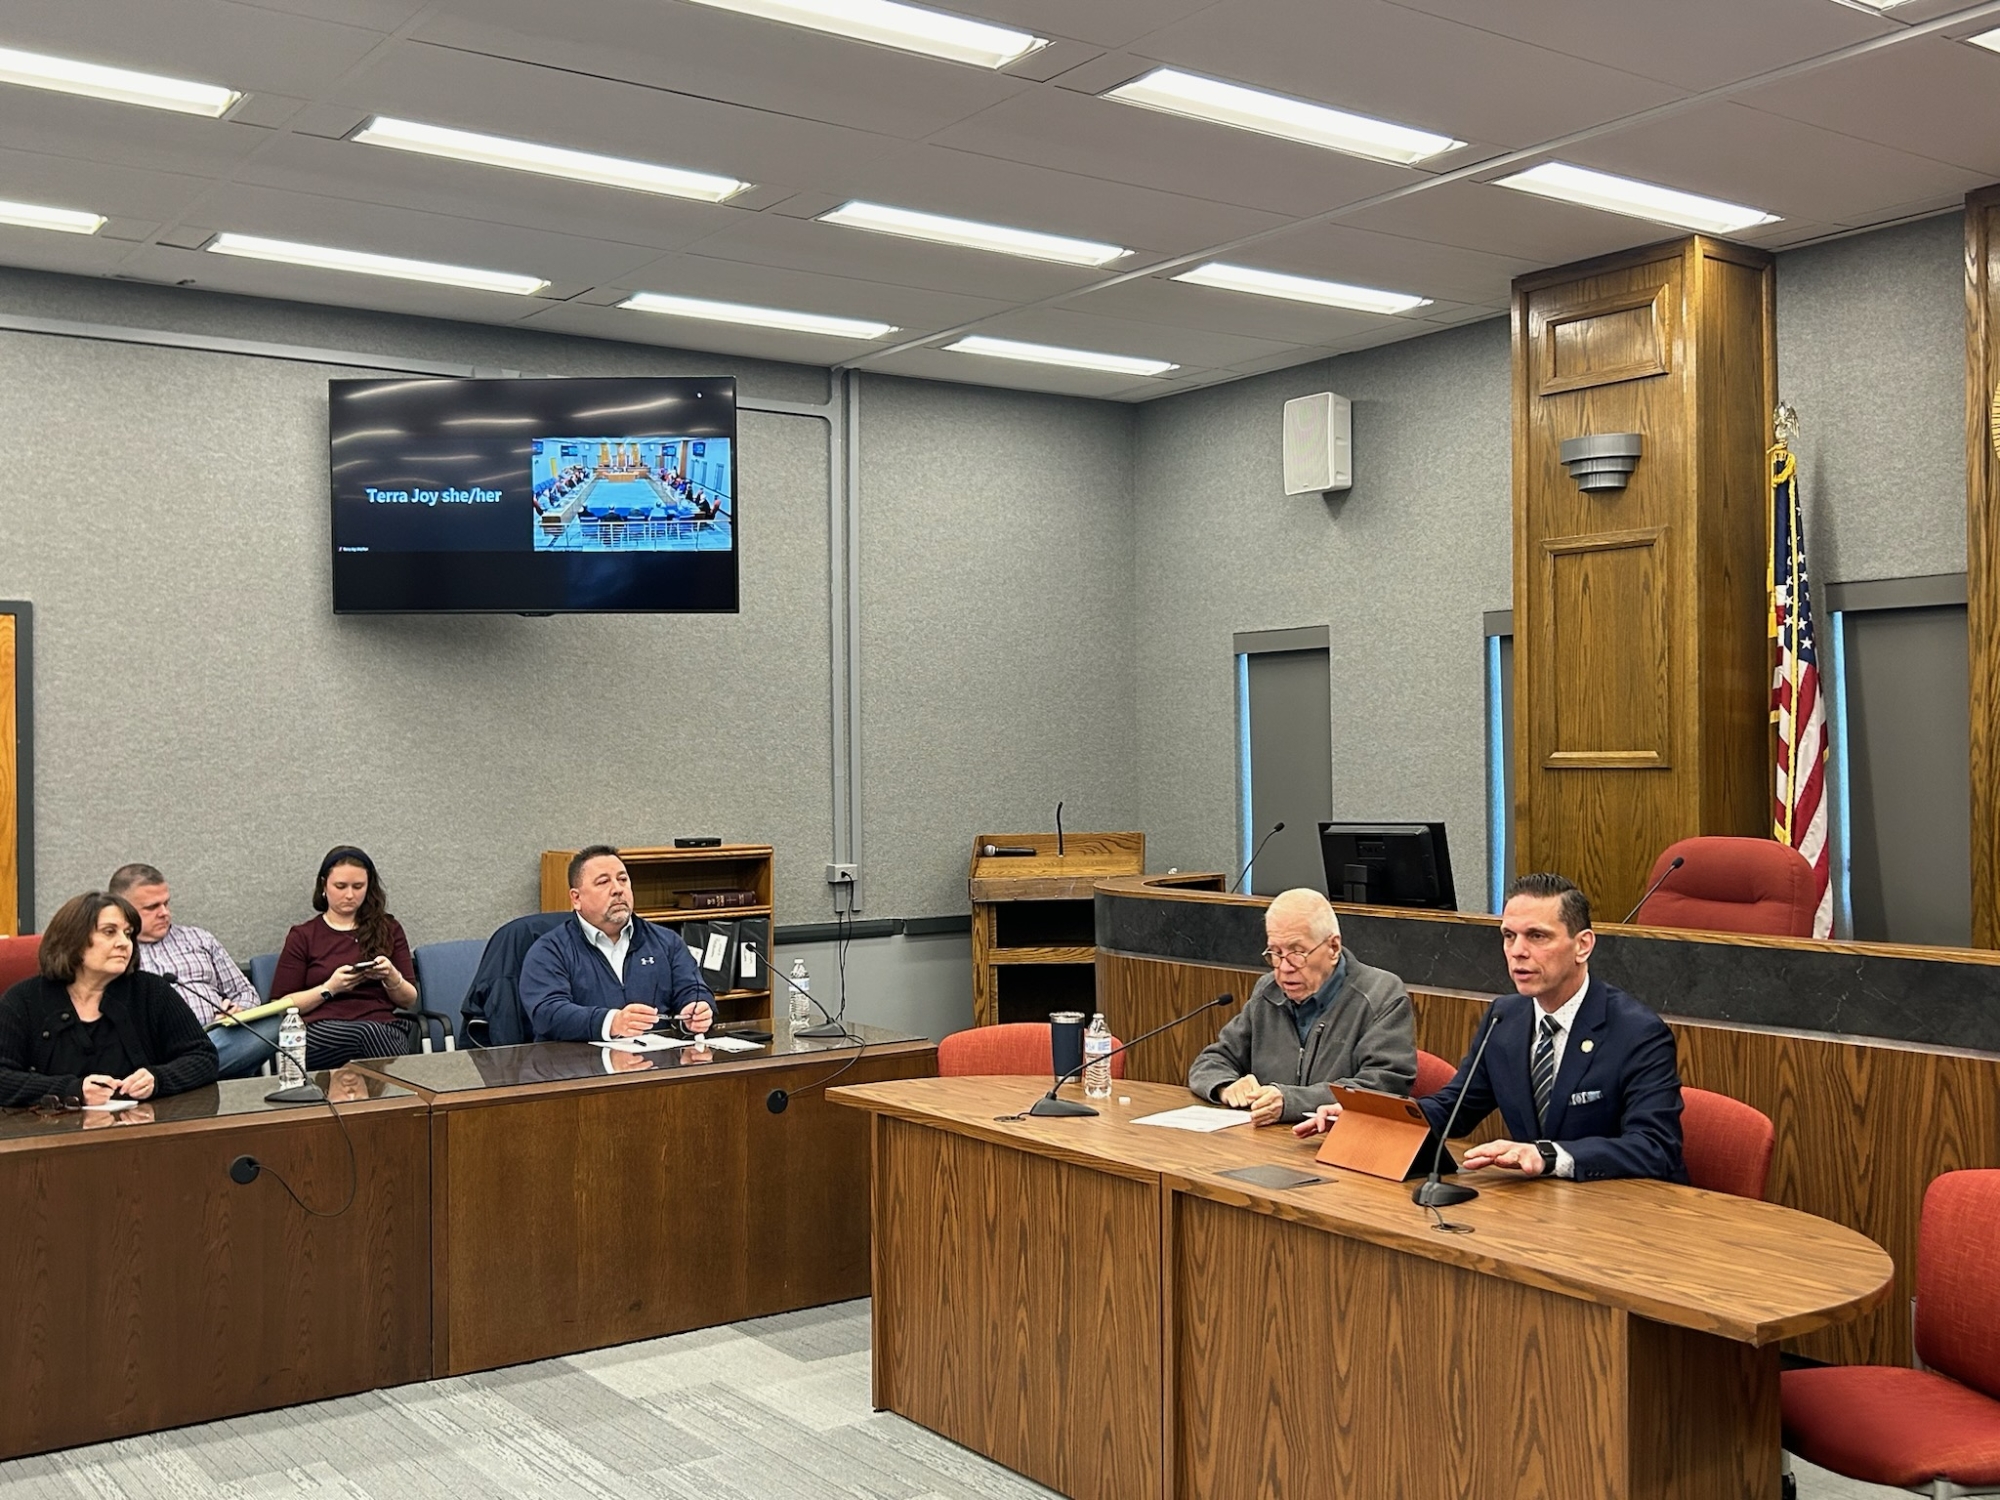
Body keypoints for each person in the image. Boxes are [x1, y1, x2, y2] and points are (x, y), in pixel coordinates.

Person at [1296, 872, 1688, 1183]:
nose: (1517, 951)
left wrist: (1548, 1155)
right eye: (1509, 936)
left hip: (1622, 1210)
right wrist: (1370, 1117)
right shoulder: (1506, 1017)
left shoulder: (1636, 1032)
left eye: (1537, 936)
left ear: (1583, 945)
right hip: (1539, 1210)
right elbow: (1455, 1109)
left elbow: (1655, 1147)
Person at [1187, 887, 1415, 1126]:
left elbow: (1383, 1086)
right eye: (1275, 953)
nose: (1284, 968)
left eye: (1297, 952)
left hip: (1339, 1139)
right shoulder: (1268, 991)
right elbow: (1212, 1060)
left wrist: (1292, 1102)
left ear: (1333, 948)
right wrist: (1227, 1086)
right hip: (1267, 1139)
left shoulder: (1380, 995)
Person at [0, 891, 218, 1108]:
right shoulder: (23, 1001)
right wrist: (71, 1091)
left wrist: (158, 1079)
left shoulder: (151, 991)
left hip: (141, 1124)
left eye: (128, 933)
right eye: (109, 932)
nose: (124, 943)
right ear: (73, 939)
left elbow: (203, 1057)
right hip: (50, 1127)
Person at [520, 845, 715, 1043]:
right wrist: (611, 1022)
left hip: (653, 1057)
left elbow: (693, 989)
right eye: (603, 882)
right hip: (578, 1059)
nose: (618, 889)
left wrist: (696, 1009)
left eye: (623, 879)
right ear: (576, 898)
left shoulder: (666, 941)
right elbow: (547, 1013)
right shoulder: (549, 950)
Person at [108, 862, 273, 1080]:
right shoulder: (115, 952)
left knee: (274, 1026)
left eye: (166, 903)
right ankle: (191, 1071)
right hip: (161, 1049)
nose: (164, 913)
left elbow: (245, 992)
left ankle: (186, 1074)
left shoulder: (199, 938)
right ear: (122, 909)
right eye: (152, 907)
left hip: (220, 1036)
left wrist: (238, 1010)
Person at [270, 846, 419, 1069]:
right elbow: (281, 1005)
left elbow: (408, 1000)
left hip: (381, 1025)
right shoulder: (304, 935)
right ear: (324, 885)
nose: (350, 895)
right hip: (321, 1029)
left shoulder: (388, 928)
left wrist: (391, 975)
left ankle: (386, 1088)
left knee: (380, 1035)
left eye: (358, 887)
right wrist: (330, 988)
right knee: (373, 1037)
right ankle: (396, 1088)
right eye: (340, 886)